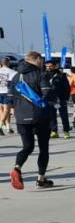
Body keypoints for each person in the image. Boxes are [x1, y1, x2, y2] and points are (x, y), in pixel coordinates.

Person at [8, 52, 55, 189]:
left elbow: (10, 99)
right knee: (43, 148)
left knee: (27, 147)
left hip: (21, 117)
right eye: (42, 60)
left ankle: (17, 168)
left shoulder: (16, 76)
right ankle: (41, 179)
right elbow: (47, 95)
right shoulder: (41, 75)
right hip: (40, 116)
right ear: (38, 59)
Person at [45, 61, 71, 139]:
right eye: (47, 66)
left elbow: (67, 88)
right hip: (50, 99)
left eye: (50, 66)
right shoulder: (44, 75)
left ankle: (66, 131)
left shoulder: (61, 75)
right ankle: (54, 131)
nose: (48, 68)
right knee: (52, 116)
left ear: (54, 66)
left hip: (60, 99)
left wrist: (66, 98)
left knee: (64, 116)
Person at [0, 56, 15, 135]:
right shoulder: (12, 72)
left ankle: (8, 127)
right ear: (8, 63)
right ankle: (1, 125)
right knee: (6, 110)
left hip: (0, 92)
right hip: (7, 92)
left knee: (1, 110)